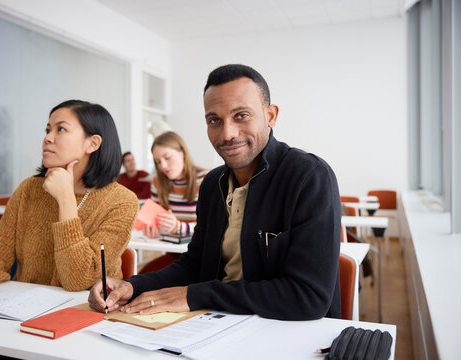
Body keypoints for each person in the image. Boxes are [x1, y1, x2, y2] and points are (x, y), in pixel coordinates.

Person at [89, 64, 341, 321]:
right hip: (215, 324)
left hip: (288, 333)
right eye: (214, 121)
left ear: (271, 116)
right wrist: (132, 286)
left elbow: (308, 297)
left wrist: (194, 296)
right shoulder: (212, 183)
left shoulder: (309, 177)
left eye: (241, 115)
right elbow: (195, 264)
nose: (227, 133)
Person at [0, 99, 138, 309]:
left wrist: (65, 199)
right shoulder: (30, 189)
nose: (48, 138)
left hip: (83, 318)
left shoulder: (122, 201)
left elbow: (78, 280)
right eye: (47, 130)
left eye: (61, 129)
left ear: (93, 143)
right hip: (21, 312)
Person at [139, 131, 208, 273]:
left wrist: (179, 227)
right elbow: (159, 224)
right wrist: (155, 231)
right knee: (142, 276)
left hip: (203, 256)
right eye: (158, 162)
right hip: (174, 254)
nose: (163, 166)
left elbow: (212, 228)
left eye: (167, 158)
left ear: (182, 153)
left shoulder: (205, 179)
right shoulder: (158, 183)